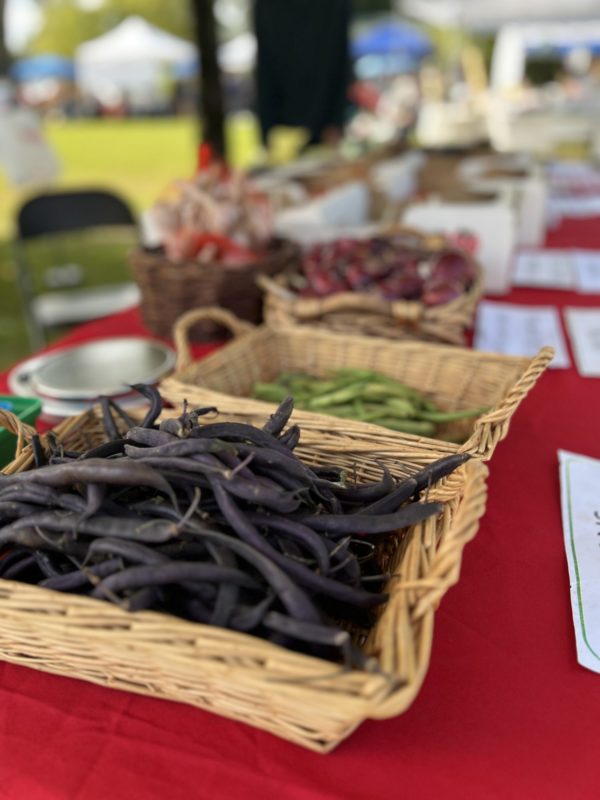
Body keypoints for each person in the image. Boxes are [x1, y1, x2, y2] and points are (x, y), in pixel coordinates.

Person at [253, 0, 352, 151]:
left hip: (324, 127)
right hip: (282, 130)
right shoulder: (267, 6)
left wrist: (335, 120)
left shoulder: (334, 6)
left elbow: (341, 60)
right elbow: (264, 68)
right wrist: (266, 129)